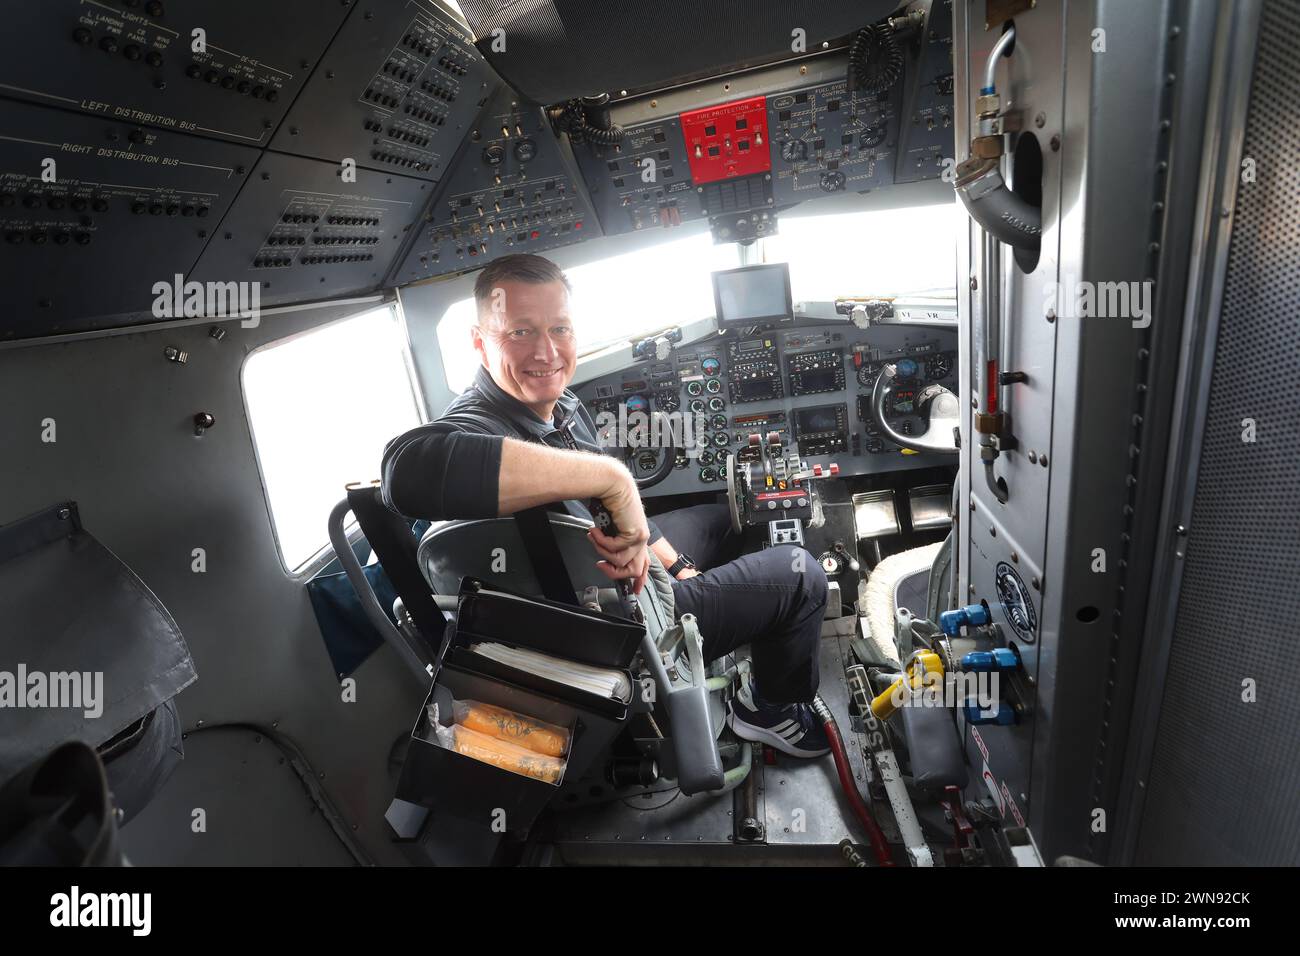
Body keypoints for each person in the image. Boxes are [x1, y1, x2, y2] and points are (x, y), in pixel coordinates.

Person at [381, 254, 830, 756]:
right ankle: (767, 710)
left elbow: (618, 513)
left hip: (609, 580)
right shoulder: (477, 421)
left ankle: (739, 646)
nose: (547, 351)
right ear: (479, 342)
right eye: (520, 332)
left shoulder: (564, 407)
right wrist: (614, 476)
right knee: (803, 574)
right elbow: (404, 471)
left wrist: (677, 565)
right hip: (620, 628)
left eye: (560, 328)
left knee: (734, 514)